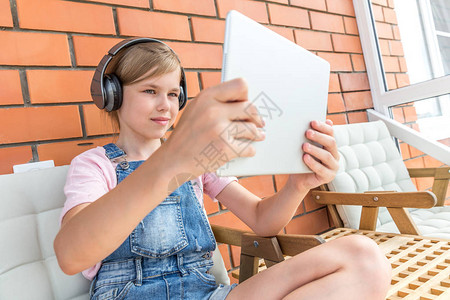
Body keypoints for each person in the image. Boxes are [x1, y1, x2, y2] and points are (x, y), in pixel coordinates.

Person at [54, 38, 391, 300]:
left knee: (363, 258)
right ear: (112, 95)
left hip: (209, 293)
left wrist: (298, 184)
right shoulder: (97, 165)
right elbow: (71, 255)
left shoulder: (199, 161)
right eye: (149, 91)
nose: (165, 105)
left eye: (174, 94)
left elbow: (263, 220)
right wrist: (171, 160)